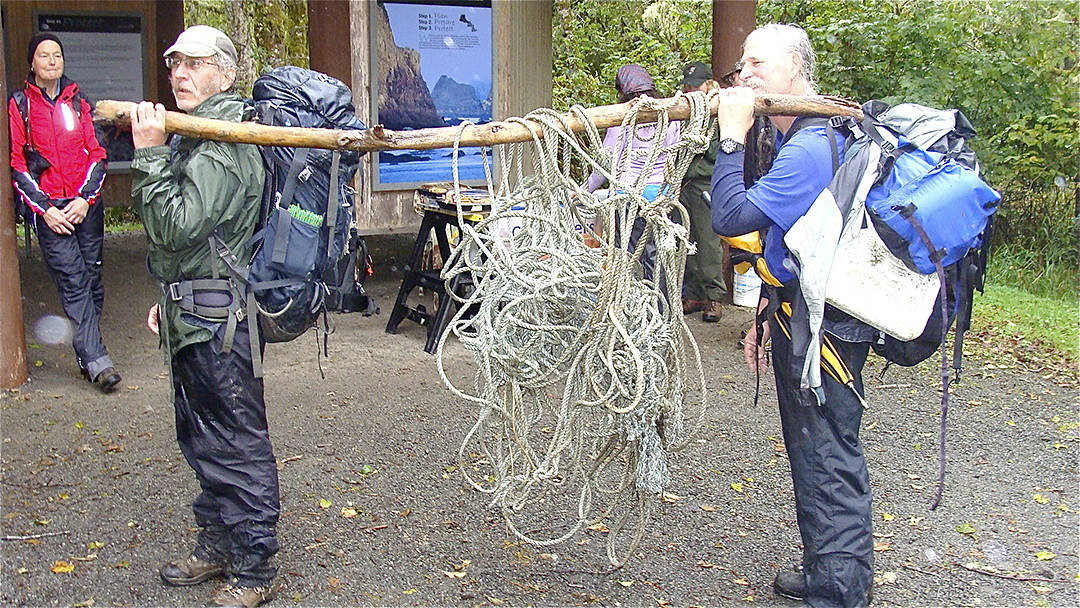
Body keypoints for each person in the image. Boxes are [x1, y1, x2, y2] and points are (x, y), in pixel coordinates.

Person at [710, 24, 875, 608]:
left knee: (827, 448)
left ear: (797, 72)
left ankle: (840, 590)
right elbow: (788, 239)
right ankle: (825, 568)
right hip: (797, 311)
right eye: (742, 64)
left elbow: (729, 217)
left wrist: (730, 141)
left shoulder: (809, 146)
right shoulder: (799, 137)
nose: (744, 73)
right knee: (809, 445)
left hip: (824, 326)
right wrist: (763, 310)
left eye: (758, 64)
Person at [129, 25, 279, 608]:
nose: (180, 74)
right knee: (202, 439)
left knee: (236, 444)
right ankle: (218, 542)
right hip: (192, 313)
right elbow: (190, 247)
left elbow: (175, 223)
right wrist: (169, 297)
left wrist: (146, 156)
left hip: (220, 326)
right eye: (175, 65)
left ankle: (254, 568)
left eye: (195, 64)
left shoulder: (224, 143)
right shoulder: (198, 138)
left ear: (226, 72)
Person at [8, 33, 119, 393]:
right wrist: (45, 210)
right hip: (52, 210)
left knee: (92, 282)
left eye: (57, 55)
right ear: (32, 63)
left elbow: (97, 154)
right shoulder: (20, 105)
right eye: (44, 55)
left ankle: (88, 354)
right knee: (73, 282)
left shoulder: (78, 102)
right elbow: (17, 164)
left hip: (84, 206)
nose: (52, 61)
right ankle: (100, 363)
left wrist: (85, 200)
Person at [585, 64, 680, 282]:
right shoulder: (671, 116)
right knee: (658, 256)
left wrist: (585, 189)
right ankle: (660, 309)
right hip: (660, 197)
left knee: (628, 257)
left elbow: (606, 164)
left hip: (628, 197)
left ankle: (633, 308)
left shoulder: (622, 120)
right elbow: (672, 158)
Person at [675, 61, 726, 322]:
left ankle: (714, 296)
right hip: (684, 181)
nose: (691, 91)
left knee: (707, 241)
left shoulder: (719, 110)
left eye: (697, 86)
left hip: (706, 181)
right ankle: (693, 293)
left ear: (709, 85)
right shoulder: (682, 109)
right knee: (686, 239)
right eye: (688, 86)